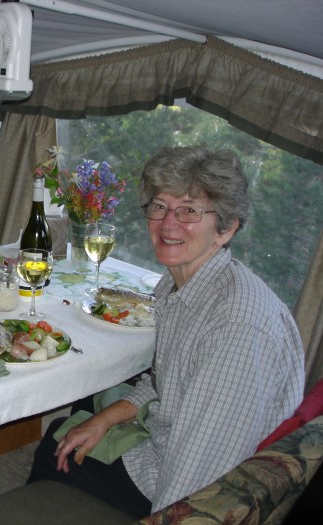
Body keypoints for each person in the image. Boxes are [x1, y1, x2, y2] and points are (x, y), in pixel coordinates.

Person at [27, 145, 305, 518]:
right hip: (168, 441)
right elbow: (166, 381)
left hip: (184, 483)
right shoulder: (178, 284)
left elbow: (201, 471)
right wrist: (106, 418)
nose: (168, 224)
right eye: (159, 206)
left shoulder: (237, 328)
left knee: (53, 453)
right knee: (69, 428)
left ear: (226, 227)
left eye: (189, 210)